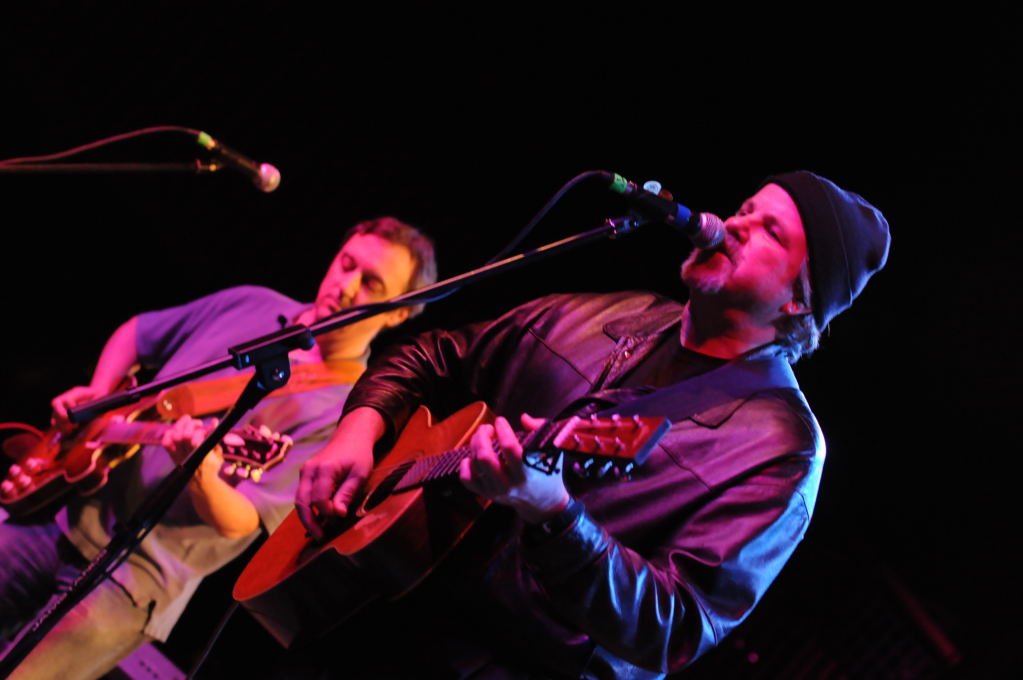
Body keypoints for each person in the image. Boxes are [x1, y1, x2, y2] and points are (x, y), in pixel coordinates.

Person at [294, 172, 890, 679]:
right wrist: (360, 427)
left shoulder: (780, 449)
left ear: (799, 301)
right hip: (372, 615)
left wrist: (556, 516)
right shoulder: (613, 312)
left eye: (770, 231)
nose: (734, 224)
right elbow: (435, 352)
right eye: (745, 209)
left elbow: (676, 627)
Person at [0, 217, 437, 680]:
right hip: (63, 510)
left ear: (398, 313)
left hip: (135, 579)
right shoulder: (252, 303)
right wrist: (99, 394)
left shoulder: (347, 416)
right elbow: (138, 333)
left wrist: (202, 476)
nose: (346, 288)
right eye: (347, 264)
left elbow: (245, 522)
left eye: (371, 284)